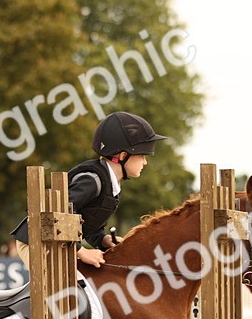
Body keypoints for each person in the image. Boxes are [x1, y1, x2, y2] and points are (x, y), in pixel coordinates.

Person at [9, 110, 165, 269]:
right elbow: (57, 214)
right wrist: (81, 251)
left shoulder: (112, 184)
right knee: (69, 279)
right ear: (123, 156)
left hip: (56, 240)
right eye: (142, 156)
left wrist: (103, 240)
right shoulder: (92, 181)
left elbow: (88, 226)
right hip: (37, 238)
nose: (145, 162)